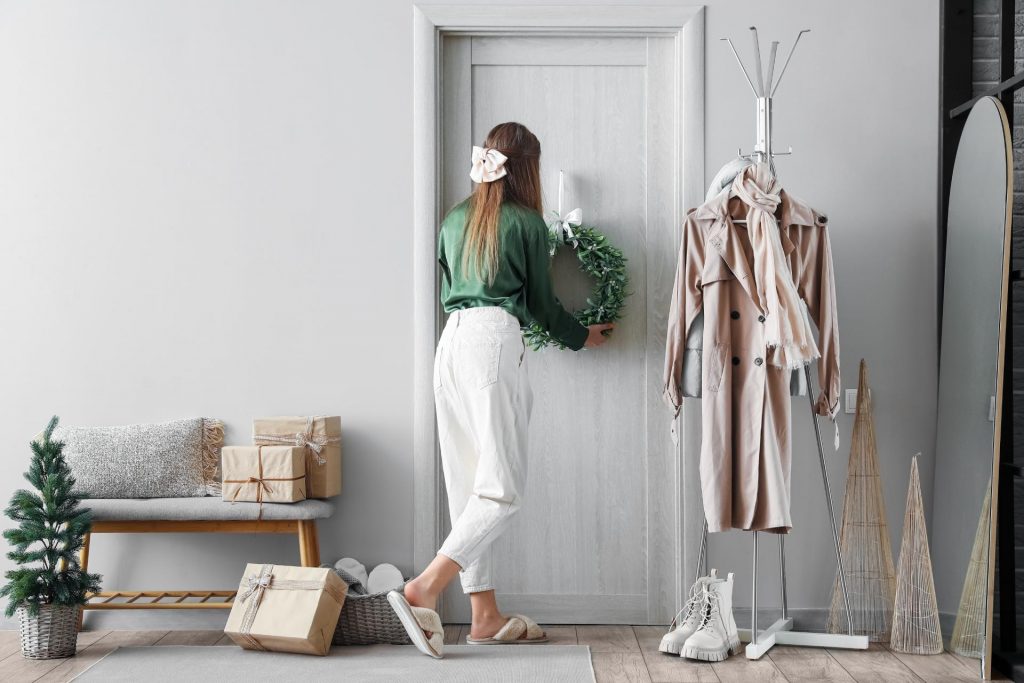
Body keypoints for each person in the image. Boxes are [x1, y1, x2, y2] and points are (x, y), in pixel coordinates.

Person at [388, 122, 614, 658]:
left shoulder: (453, 219)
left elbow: (449, 290)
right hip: (491, 342)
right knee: (501, 489)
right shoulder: (526, 223)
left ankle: (484, 614)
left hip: (451, 345)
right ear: (528, 168)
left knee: (467, 485)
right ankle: (425, 586)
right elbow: (539, 303)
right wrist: (582, 336)